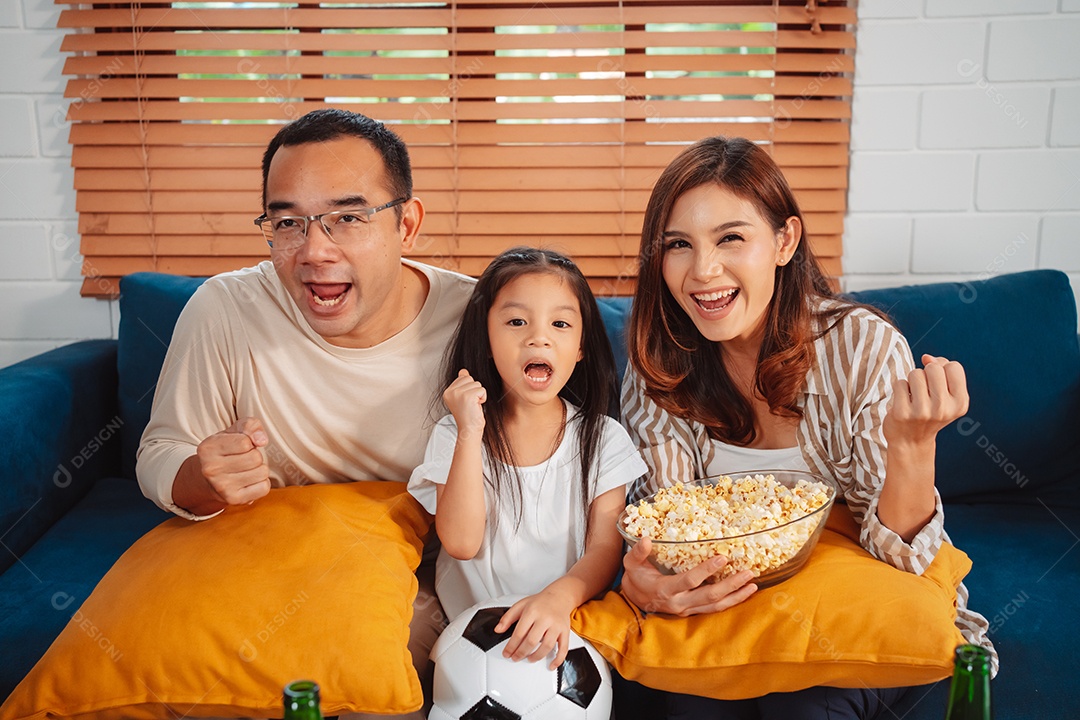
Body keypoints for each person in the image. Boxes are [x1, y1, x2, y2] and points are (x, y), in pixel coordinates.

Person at [617, 136, 997, 719]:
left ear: (784, 241)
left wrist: (915, 445)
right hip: (725, 612)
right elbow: (669, 529)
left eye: (731, 238)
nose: (703, 271)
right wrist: (642, 579)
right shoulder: (658, 362)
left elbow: (902, 557)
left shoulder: (863, 348)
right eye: (678, 245)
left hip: (846, 604)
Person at [136, 108, 477, 719]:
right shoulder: (226, 308)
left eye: (348, 218)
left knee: (373, 688)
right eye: (288, 222)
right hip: (264, 562)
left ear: (408, 224)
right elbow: (162, 452)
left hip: (410, 574)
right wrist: (201, 477)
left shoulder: (479, 318)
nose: (314, 251)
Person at [407, 247, 648, 668]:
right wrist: (469, 431)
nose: (539, 337)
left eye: (560, 324)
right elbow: (461, 543)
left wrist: (559, 597)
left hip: (565, 620)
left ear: (580, 348)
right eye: (517, 322)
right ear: (485, 341)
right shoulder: (455, 433)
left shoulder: (604, 438)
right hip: (469, 635)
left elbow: (604, 548)